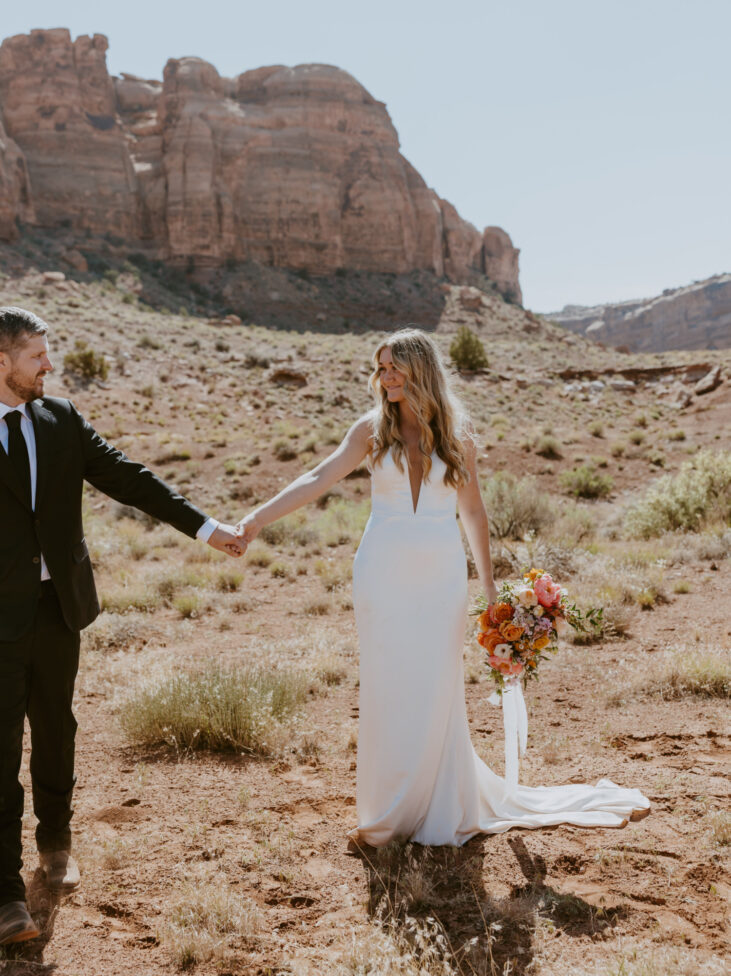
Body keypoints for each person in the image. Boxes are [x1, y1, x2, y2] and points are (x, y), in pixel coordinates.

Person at [236, 328, 650, 847]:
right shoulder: (370, 430)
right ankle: (388, 812)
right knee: (387, 684)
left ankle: (436, 803)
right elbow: (318, 477)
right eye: (381, 368)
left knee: (436, 684)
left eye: (395, 368)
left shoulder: (458, 437)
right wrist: (254, 522)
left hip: (440, 575)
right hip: (381, 573)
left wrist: (491, 583)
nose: (385, 378)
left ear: (420, 372)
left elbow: (473, 511)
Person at [0, 307, 243, 946]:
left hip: (58, 610)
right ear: (1, 362)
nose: (49, 366)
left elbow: (129, 478)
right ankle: (3, 892)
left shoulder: (61, 419)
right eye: (35, 357)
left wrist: (205, 527)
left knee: (56, 729)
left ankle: (56, 840)